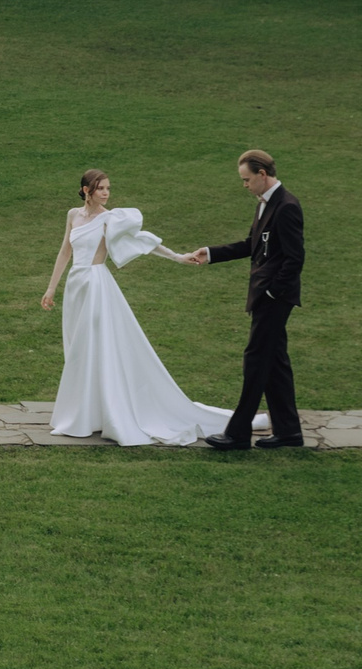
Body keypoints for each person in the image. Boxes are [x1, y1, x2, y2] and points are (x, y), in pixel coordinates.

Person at [38, 169, 229, 446]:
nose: (106, 193)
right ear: (86, 190)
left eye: (108, 188)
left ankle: (98, 415)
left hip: (96, 286)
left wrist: (177, 257)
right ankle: (85, 413)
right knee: (76, 348)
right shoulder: (72, 215)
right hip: (75, 287)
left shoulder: (110, 219)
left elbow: (143, 241)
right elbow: (65, 251)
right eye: (101, 188)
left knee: (91, 347)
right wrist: (51, 287)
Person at [192, 149, 307, 450]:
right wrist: (212, 253)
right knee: (275, 362)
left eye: (246, 180)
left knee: (256, 361)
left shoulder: (286, 207)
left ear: (262, 175)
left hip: (273, 299)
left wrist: (273, 291)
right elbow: (251, 245)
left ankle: (238, 433)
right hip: (264, 295)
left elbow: (295, 259)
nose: (244, 185)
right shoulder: (264, 205)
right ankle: (289, 431)